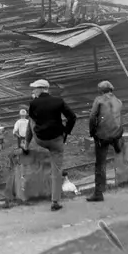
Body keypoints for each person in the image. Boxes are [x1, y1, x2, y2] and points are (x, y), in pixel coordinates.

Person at [27, 79, 77, 211]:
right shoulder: (59, 101)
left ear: (41, 89)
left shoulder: (33, 103)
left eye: (34, 89)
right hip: (56, 140)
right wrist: (66, 132)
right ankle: (55, 202)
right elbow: (72, 117)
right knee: (57, 170)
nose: (33, 91)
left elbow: (34, 119)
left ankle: (26, 142)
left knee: (30, 121)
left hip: (40, 139)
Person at [87, 81, 124, 203]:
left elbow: (92, 117)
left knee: (100, 164)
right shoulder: (118, 101)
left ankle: (98, 193)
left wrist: (92, 132)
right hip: (117, 132)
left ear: (100, 90)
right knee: (114, 138)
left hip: (102, 136)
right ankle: (117, 143)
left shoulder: (99, 100)